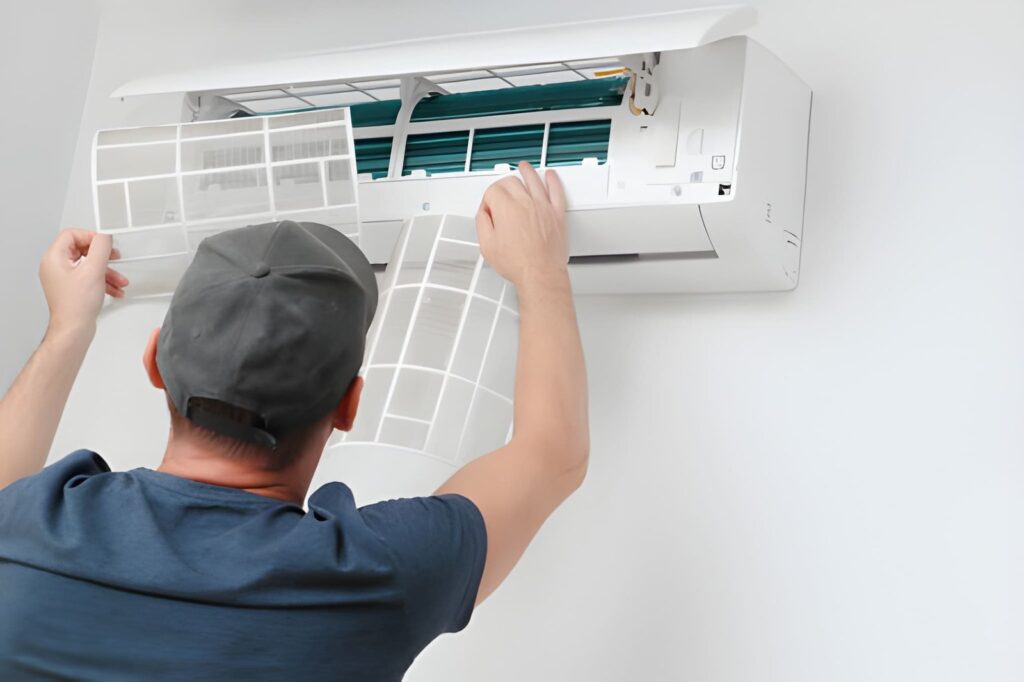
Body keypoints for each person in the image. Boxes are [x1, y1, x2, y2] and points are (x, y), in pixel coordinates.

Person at [0, 162, 589, 680]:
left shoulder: (24, 529)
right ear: (350, 405)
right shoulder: (376, 576)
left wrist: (68, 327)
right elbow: (552, 453)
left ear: (154, 361)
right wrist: (541, 272)